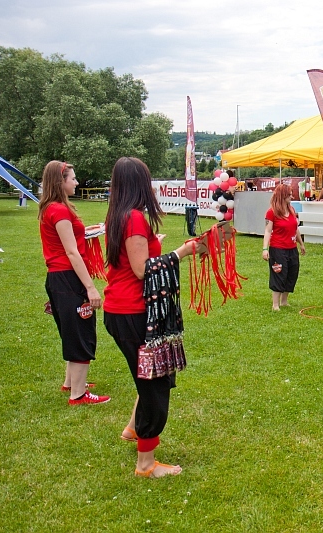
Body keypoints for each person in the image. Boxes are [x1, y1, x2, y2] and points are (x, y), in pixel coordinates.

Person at [103, 157, 202, 478]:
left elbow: (145, 260)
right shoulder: (132, 218)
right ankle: (146, 464)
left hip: (126, 310)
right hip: (133, 313)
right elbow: (142, 269)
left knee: (149, 375)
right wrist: (182, 253)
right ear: (139, 184)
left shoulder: (121, 215)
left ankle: (134, 429)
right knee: (154, 386)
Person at [38, 161, 110, 405]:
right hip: (68, 277)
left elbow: (67, 239)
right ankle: (78, 395)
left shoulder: (51, 208)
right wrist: (90, 287)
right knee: (81, 330)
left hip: (58, 278)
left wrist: (87, 231)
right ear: (61, 181)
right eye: (73, 178)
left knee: (71, 330)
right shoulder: (58, 210)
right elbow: (71, 252)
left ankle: (71, 382)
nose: (77, 183)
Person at [262, 183, 306, 311]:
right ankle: (275, 304)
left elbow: (295, 229)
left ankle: (284, 301)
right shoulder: (271, 212)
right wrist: (265, 249)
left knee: (292, 272)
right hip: (278, 249)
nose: (291, 196)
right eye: (289, 194)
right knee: (279, 273)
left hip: (292, 249)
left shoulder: (291, 210)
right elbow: (268, 231)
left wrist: (301, 244)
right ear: (282, 196)